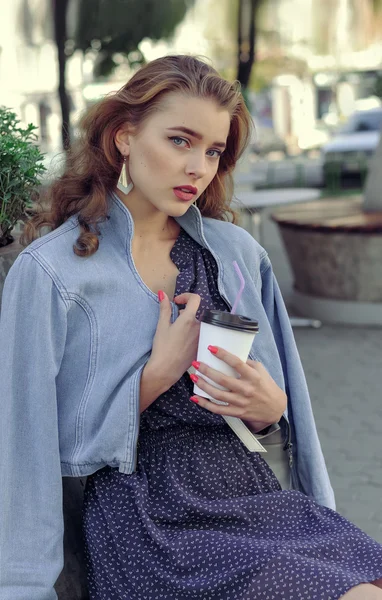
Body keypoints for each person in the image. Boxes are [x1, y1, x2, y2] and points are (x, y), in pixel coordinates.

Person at [0, 55, 381, 600]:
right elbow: (28, 445)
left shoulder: (238, 254)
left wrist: (271, 412)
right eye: (180, 140)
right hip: (152, 521)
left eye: (213, 150)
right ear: (124, 137)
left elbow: (286, 419)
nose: (198, 167)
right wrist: (152, 378)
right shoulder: (53, 273)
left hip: (254, 498)